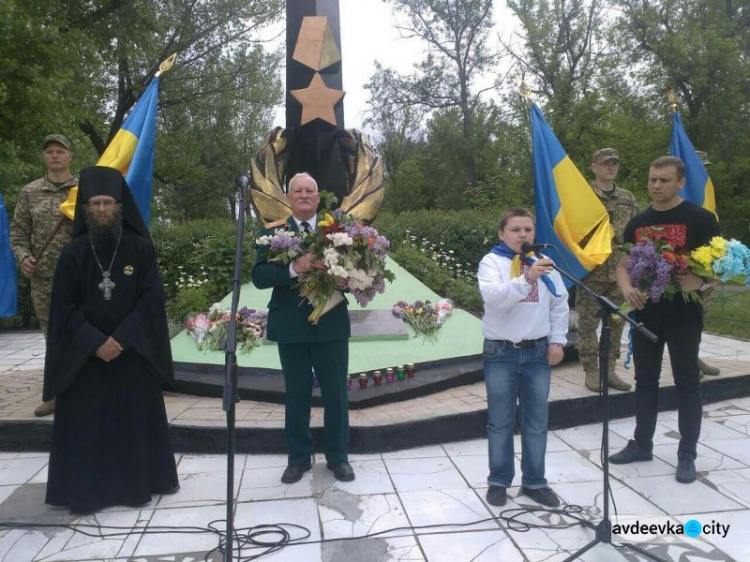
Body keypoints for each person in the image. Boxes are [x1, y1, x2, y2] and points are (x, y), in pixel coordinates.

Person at [43, 166, 178, 514]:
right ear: (85, 208)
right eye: (96, 203)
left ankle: (138, 486)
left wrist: (121, 339)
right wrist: (95, 342)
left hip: (131, 353)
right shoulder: (72, 254)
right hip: (86, 358)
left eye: (108, 203)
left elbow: (151, 300)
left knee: (133, 418)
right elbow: (64, 308)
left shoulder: (140, 248)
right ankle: (90, 491)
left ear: (120, 206)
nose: (102, 209)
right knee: (88, 426)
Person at [610, 156, 721, 484]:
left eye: (664, 180)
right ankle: (642, 443)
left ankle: (686, 453)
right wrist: (628, 288)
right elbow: (623, 264)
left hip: (684, 314)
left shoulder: (700, 219)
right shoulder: (639, 222)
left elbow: (723, 265)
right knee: (645, 381)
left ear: (680, 182)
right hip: (647, 312)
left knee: (687, 382)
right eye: (652, 179)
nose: (656, 186)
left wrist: (700, 283)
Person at [252, 172, 354, 484]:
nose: (304, 195)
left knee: (336, 395)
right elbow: (259, 276)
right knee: (296, 395)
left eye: (310, 190)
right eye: (298, 191)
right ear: (289, 197)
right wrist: (295, 267)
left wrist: (345, 279)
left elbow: (358, 269)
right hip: (292, 328)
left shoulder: (338, 229)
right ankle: (298, 459)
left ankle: (338, 458)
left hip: (331, 325)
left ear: (318, 196)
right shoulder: (273, 233)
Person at [478, 207, 569, 508]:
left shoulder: (545, 265)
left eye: (528, 230)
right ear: (502, 233)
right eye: (516, 230)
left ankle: (535, 481)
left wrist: (557, 340)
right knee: (500, 421)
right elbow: (494, 298)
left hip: (537, 351)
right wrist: (527, 278)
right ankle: (499, 481)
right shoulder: (491, 262)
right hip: (501, 352)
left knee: (536, 421)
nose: (523, 235)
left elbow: (559, 304)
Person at [10, 134, 78, 417]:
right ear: (44, 157)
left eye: (60, 151)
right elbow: (17, 234)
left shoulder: (82, 190)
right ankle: (55, 393)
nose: (54, 156)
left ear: (70, 156)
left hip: (79, 276)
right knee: (53, 336)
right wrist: (23, 257)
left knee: (84, 331)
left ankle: (87, 391)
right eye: (49, 151)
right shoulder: (30, 192)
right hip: (44, 280)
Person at [577, 148, 638, 393]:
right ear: (594, 167)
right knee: (587, 324)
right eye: (605, 164)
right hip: (592, 270)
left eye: (614, 163)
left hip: (622, 271)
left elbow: (634, 232)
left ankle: (609, 370)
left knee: (617, 323)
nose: (611, 167)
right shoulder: (582, 196)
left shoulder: (627, 197)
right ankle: (592, 371)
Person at [693, 150, 720, 379]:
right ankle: (688, 359)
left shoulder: (705, 192)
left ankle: (694, 357)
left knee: (700, 317)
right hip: (686, 267)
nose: (704, 171)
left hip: (705, 266)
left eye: (705, 166)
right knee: (686, 318)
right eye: (700, 166)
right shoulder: (681, 192)